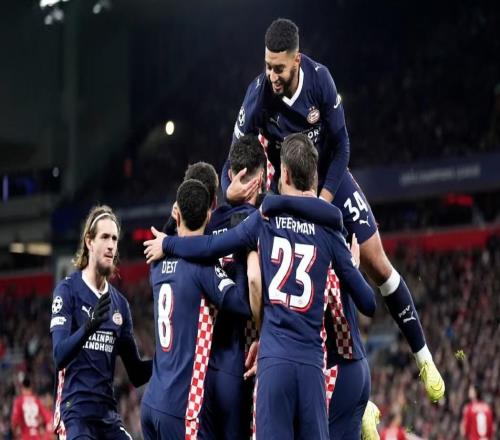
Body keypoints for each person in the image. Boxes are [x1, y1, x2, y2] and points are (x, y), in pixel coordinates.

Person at [222, 17, 444, 402]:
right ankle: (355, 400)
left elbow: (342, 146)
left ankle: (423, 356)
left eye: (279, 68)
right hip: (287, 189)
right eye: (267, 66)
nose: (272, 75)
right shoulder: (257, 95)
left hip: (329, 182)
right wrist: (230, 189)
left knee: (377, 264)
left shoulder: (320, 80)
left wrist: (323, 202)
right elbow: (233, 158)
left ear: (297, 60)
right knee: (302, 289)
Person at [145, 133, 376, 438]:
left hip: (267, 362)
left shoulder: (264, 220)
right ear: (314, 177)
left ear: (285, 174)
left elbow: (208, 245)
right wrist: (351, 268)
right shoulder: (329, 230)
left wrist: (168, 244)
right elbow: (368, 303)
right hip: (311, 366)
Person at [140, 179, 252, 440]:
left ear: (177, 214)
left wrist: (171, 223)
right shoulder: (204, 268)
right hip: (181, 410)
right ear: (210, 216)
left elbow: (167, 236)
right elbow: (242, 304)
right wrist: (241, 260)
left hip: (151, 403)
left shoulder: (157, 263)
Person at [50, 205, 152, 440]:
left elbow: (136, 373)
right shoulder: (67, 291)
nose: (111, 245)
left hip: (107, 416)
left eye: (114, 239)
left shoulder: (120, 304)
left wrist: (170, 359)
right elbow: (59, 356)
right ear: (89, 241)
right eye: (105, 237)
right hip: (74, 413)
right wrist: (89, 326)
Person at [198, 134, 266, 439]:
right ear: (261, 180)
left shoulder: (208, 223)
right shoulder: (259, 223)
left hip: (202, 363)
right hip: (239, 361)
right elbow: (254, 279)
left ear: (231, 176)